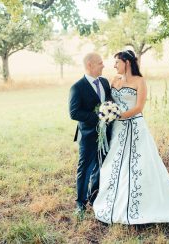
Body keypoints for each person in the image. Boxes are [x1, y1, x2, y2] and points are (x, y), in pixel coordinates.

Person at [93, 50, 169, 225]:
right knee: (115, 162)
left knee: (139, 164)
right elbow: (109, 103)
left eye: (117, 62)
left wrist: (119, 115)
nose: (114, 65)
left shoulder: (140, 81)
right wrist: (109, 113)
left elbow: (139, 107)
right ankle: (114, 204)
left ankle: (145, 205)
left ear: (127, 63)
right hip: (118, 129)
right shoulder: (114, 80)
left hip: (135, 127)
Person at [69, 52, 112, 217]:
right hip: (87, 135)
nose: (103, 65)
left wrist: (110, 114)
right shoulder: (77, 87)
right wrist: (98, 116)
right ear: (90, 65)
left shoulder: (105, 82)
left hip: (106, 134)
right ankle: (80, 203)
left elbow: (108, 101)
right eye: (100, 62)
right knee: (85, 168)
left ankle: (94, 198)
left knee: (100, 167)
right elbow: (74, 113)